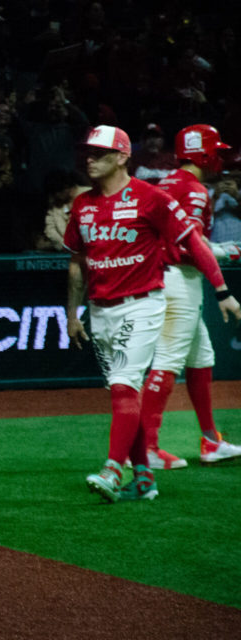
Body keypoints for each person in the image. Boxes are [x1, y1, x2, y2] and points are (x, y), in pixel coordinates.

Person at [65, 126, 239, 503]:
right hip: (100, 309)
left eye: (99, 153)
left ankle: (114, 468)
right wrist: (72, 314)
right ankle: (144, 478)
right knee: (122, 389)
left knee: (126, 386)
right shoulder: (82, 204)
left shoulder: (151, 196)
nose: (89, 159)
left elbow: (193, 241)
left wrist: (222, 290)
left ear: (123, 156)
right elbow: (77, 262)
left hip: (144, 302)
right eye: (88, 153)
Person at [138, 125, 241, 468]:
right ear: (204, 153)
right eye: (217, 151)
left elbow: (186, 238)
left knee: (202, 357)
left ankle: (212, 441)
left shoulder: (166, 182)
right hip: (178, 279)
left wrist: (221, 249)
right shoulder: (195, 190)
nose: (220, 158)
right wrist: (222, 278)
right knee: (168, 360)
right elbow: (190, 246)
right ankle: (147, 449)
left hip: (165, 275)